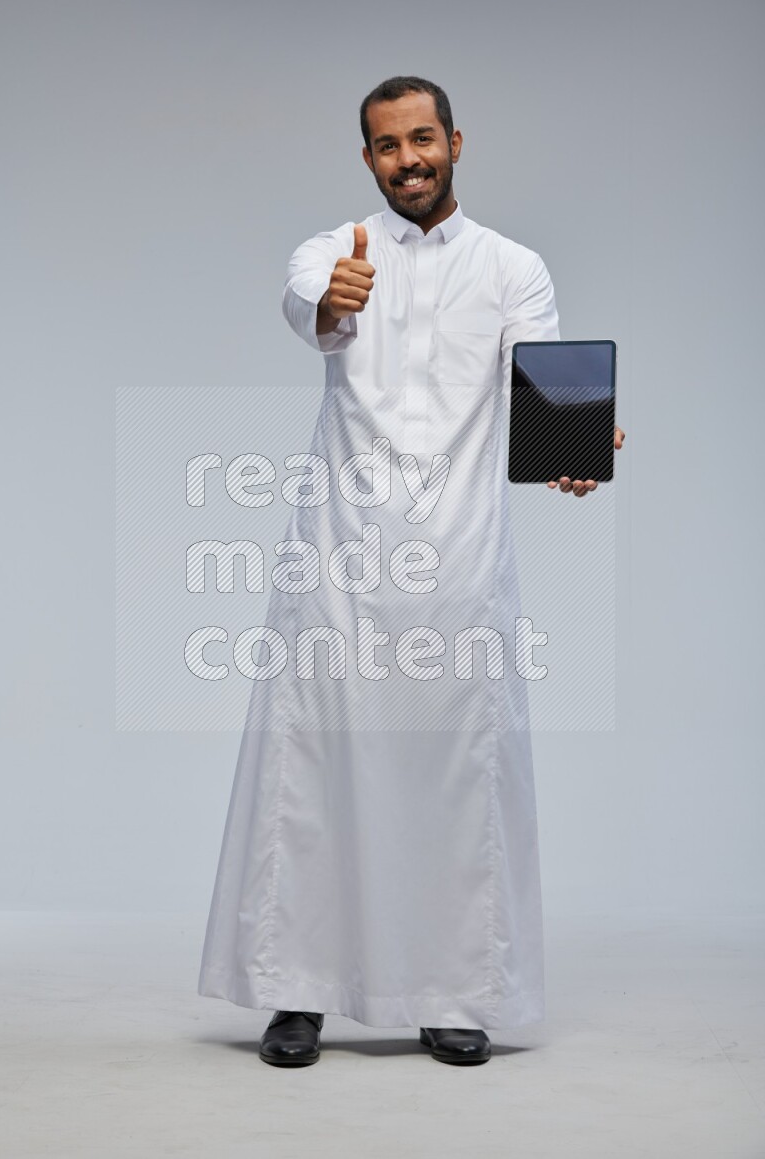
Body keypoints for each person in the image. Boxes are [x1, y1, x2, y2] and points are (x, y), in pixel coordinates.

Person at [198, 75, 625, 1067]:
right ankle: (295, 993)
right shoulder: (334, 249)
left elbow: (538, 378)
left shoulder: (513, 267)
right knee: (313, 771)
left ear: (455, 143)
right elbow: (308, 303)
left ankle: (453, 993)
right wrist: (330, 299)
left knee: (456, 777)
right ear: (367, 159)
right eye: (388, 146)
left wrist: (574, 440)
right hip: (340, 558)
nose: (408, 160)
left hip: (461, 561)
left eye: (422, 139)